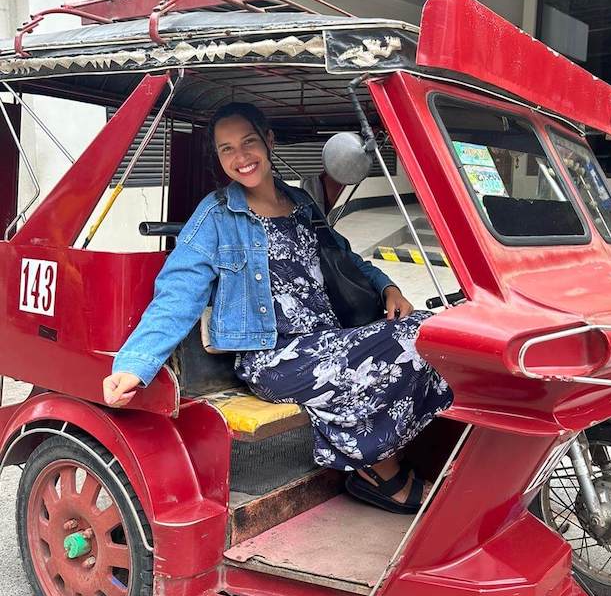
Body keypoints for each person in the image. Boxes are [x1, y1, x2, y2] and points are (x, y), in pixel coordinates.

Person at [103, 101, 452, 514]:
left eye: (248, 142)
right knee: (408, 340)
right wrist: (134, 364)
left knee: (434, 330)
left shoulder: (301, 203)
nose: (241, 157)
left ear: (268, 141)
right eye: (227, 149)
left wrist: (388, 285)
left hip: (326, 340)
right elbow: (178, 293)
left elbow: (343, 257)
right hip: (274, 358)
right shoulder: (216, 216)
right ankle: (376, 470)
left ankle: (388, 450)